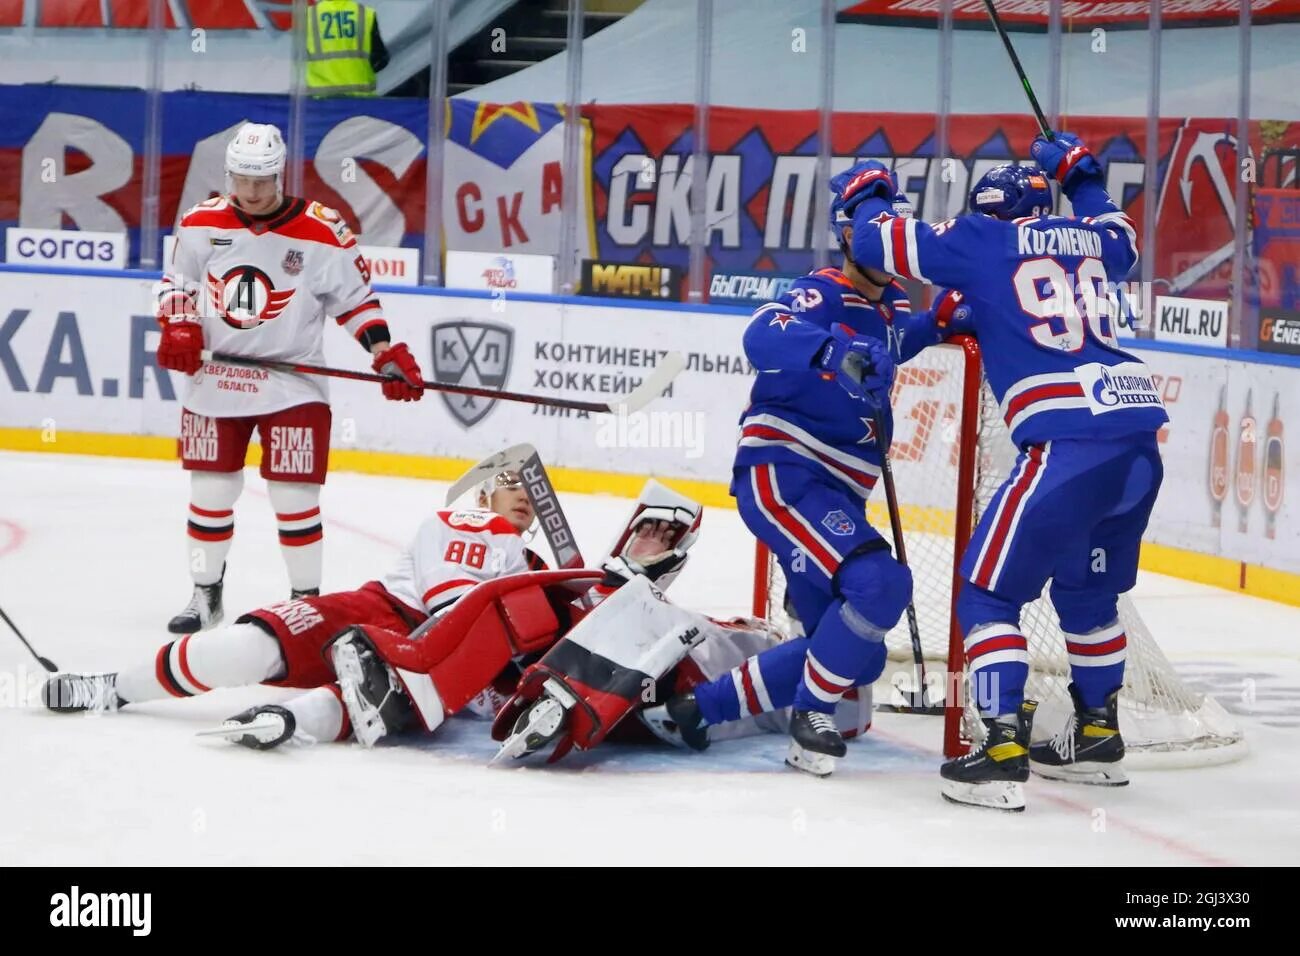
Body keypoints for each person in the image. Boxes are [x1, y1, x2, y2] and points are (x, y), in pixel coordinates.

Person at [841, 135, 1168, 810]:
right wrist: (1082, 178)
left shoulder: (980, 240)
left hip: (1067, 445)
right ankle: (1098, 738)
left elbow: (874, 244)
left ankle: (1000, 750)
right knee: (1086, 598)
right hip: (1138, 444)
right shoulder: (1093, 240)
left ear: (985, 210)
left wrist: (870, 189)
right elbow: (1125, 238)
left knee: (986, 595)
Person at [662, 174, 971, 776]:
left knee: (860, 660)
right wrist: (834, 352)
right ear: (847, 236)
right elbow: (760, 334)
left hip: (840, 490)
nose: (882, 244)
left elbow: (893, 341)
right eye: (869, 231)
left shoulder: (894, 304)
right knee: (882, 587)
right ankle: (807, 716)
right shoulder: (821, 291)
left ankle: (693, 710)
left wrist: (938, 320)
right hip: (787, 471)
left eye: (889, 231)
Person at [42, 469, 548, 749]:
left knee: (362, 700)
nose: (523, 496)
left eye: (531, 491)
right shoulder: (472, 521)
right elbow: (450, 603)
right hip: (384, 612)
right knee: (252, 648)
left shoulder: (535, 568)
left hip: (439, 652)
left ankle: (283, 722)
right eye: (511, 485)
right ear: (484, 492)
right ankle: (113, 687)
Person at [155, 121, 423, 634]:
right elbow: (176, 283)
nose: (251, 192)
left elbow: (355, 300)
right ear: (229, 174)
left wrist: (383, 351)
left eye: (262, 181)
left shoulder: (323, 229)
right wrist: (180, 323)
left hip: (293, 384)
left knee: (295, 497)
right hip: (215, 383)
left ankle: (308, 606)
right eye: (241, 180)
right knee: (211, 491)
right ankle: (205, 594)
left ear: (280, 174)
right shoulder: (199, 222)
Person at [305, 0, 389, 97]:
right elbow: (380, 58)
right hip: (361, 99)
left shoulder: (308, 16)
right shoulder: (366, 14)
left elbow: (298, 58)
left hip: (322, 100)